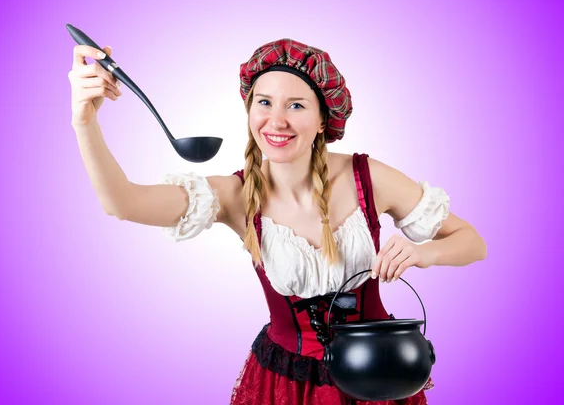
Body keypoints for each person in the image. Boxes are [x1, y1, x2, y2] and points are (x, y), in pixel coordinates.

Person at [69, 38, 487, 404]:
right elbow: (122, 203)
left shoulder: (368, 177)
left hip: (378, 373)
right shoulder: (234, 195)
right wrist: (84, 120)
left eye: (296, 105)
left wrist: (422, 251)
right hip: (283, 385)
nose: (277, 120)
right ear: (249, 109)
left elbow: (472, 242)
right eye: (264, 102)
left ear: (324, 119)